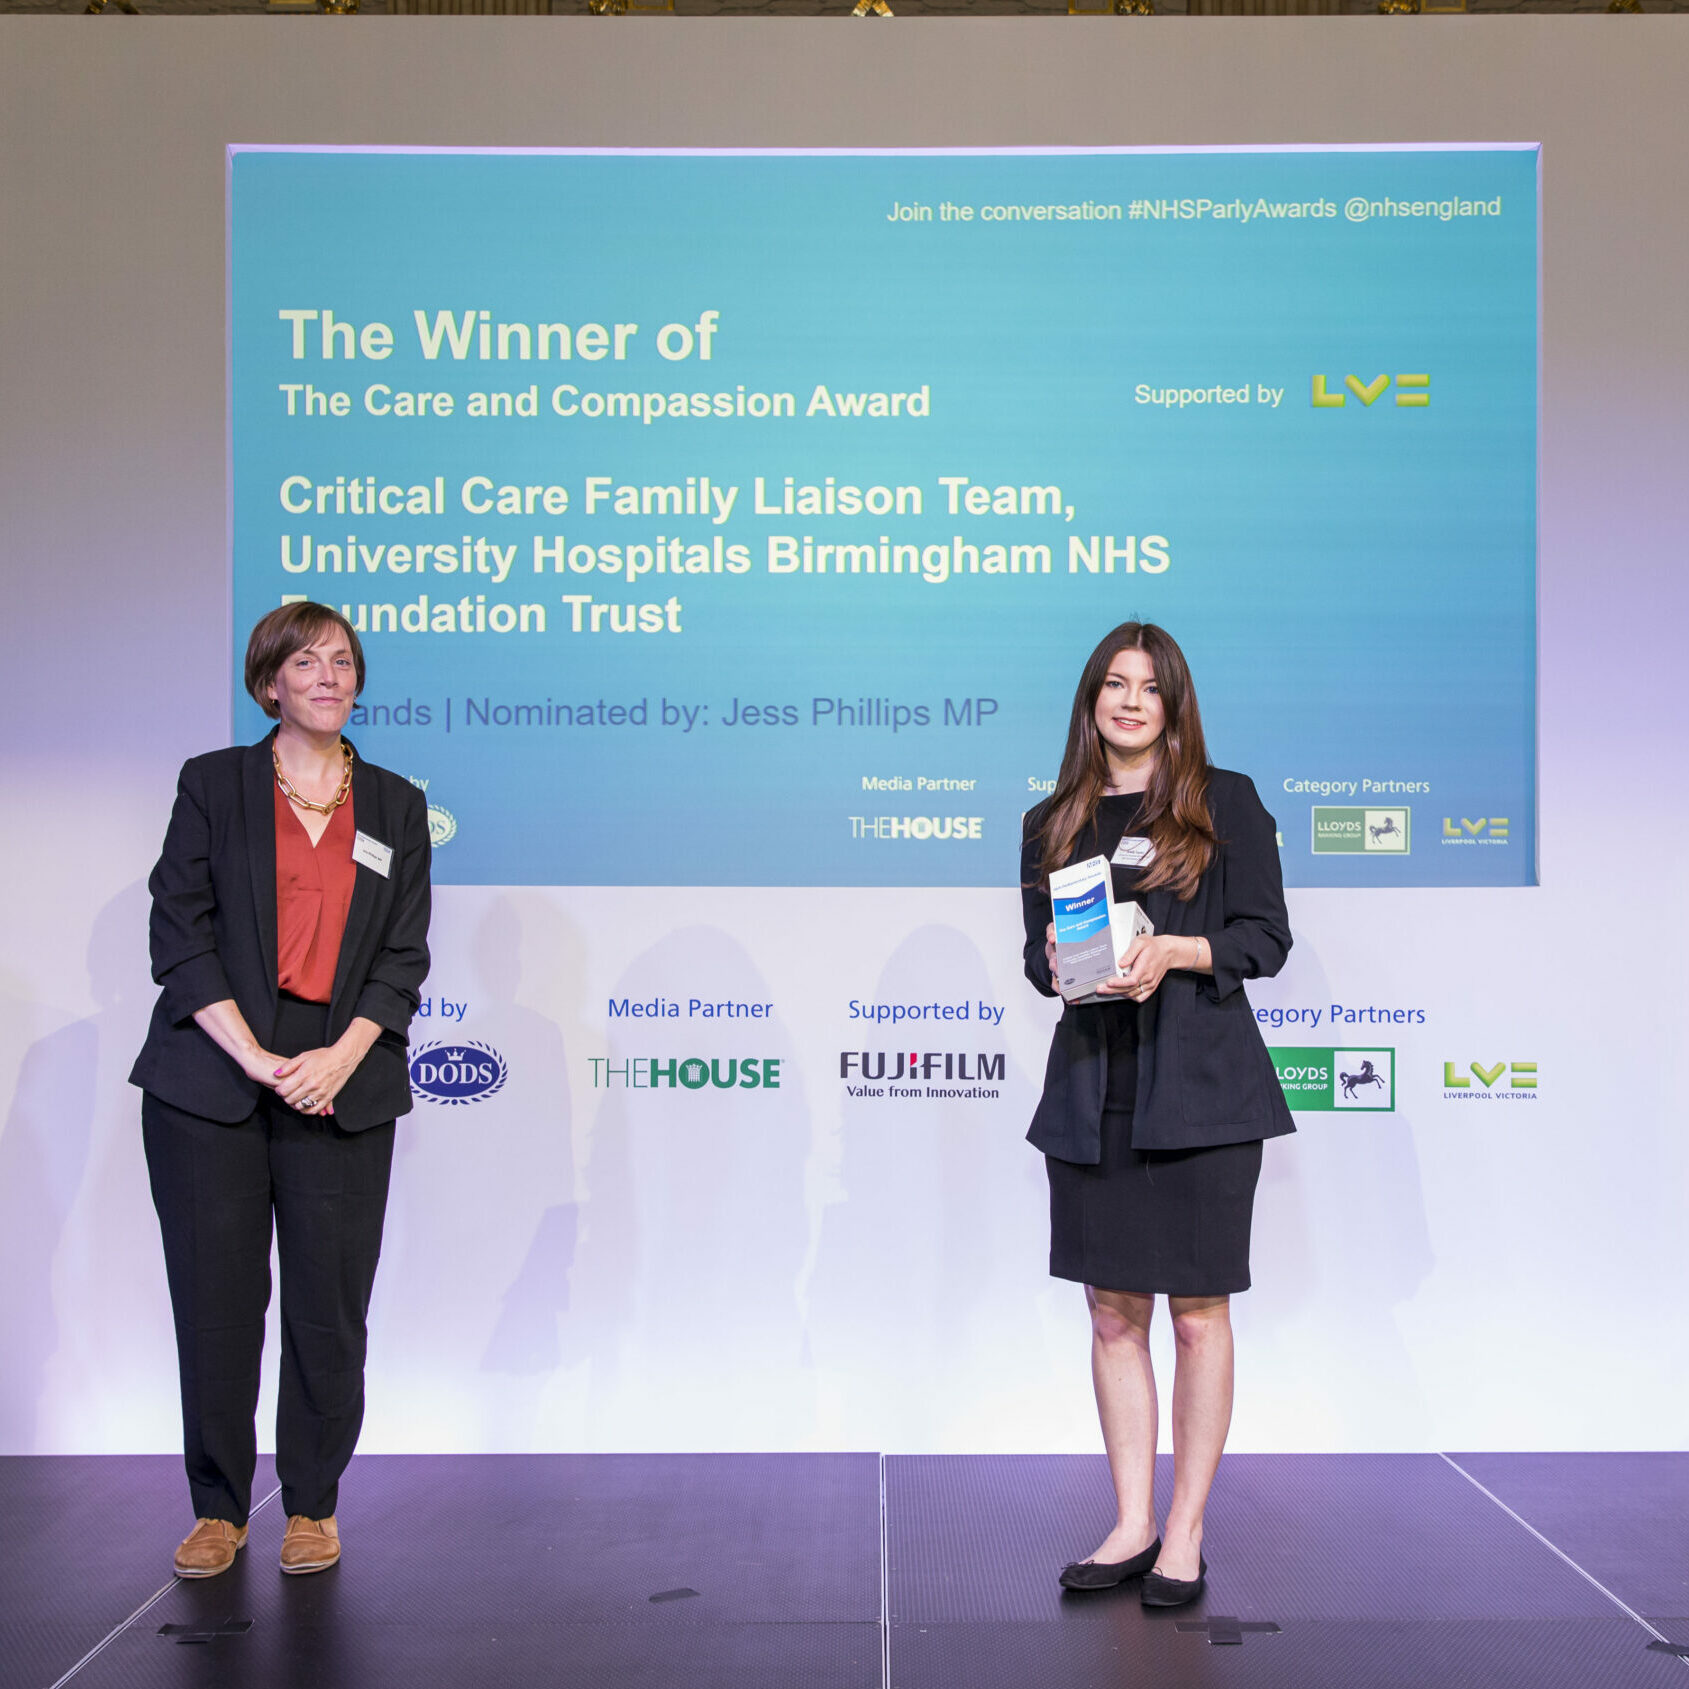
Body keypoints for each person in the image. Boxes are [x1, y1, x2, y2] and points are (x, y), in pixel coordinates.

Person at [129, 603, 431, 1579]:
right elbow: (179, 932)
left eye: (344, 661)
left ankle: (311, 1504)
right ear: (270, 684)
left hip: (343, 1077)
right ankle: (219, 1509)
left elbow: (402, 954)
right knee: (216, 1305)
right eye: (307, 661)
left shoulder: (393, 805)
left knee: (326, 1309)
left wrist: (342, 1055)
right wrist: (255, 1056)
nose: (330, 676)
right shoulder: (213, 786)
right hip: (212, 1076)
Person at [1020, 621, 1293, 1606]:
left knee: (1198, 1316)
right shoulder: (1051, 820)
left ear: (1174, 703)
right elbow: (1033, 954)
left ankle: (1185, 1531)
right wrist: (1054, 965)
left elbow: (1265, 937)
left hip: (1204, 1093)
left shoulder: (1226, 803)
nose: (1129, 702)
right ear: (1091, 701)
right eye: (1112, 685)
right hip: (1096, 1090)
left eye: (1148, 687)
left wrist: (1175, 952)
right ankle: (1132, 1520)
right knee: (1111, 1312)